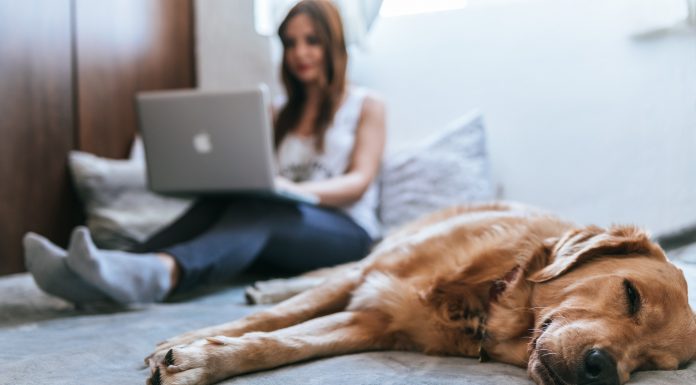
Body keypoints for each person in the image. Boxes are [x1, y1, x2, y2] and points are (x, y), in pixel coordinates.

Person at [23, 0, 386, 305]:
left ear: (332, 44)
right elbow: (257, 170)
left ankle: (163, 273)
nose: (299, 53)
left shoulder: (366, 104)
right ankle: (106, 269)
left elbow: (359, 181)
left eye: (311, 41)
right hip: (280, 221)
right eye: (290, 43)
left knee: (260, 210)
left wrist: (295, 191)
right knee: (227, 202)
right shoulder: (276, 111)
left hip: (346, 232)